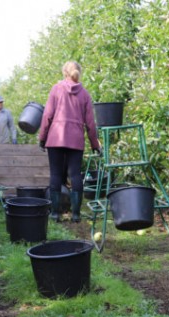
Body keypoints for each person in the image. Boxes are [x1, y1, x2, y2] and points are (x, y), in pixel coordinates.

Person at [38, 61, 101, 223]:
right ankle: (76, 214)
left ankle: (55, 214)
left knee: (56, 174)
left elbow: (47, 116)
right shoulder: (85, 94)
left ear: (64, 73)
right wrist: (95, 144)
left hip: (55, 138)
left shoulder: (56, 89)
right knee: (75, 175)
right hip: (75, 140)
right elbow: (91, 124)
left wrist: (42, 137)